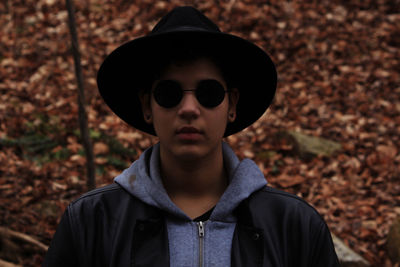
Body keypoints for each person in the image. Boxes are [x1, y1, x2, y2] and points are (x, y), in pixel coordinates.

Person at [43, 6, 339, 267]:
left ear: (231, 105)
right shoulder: (92, 222)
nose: (188, 109)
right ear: (147, 105)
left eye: (208, 93)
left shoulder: (293, 226)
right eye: (168, 93)